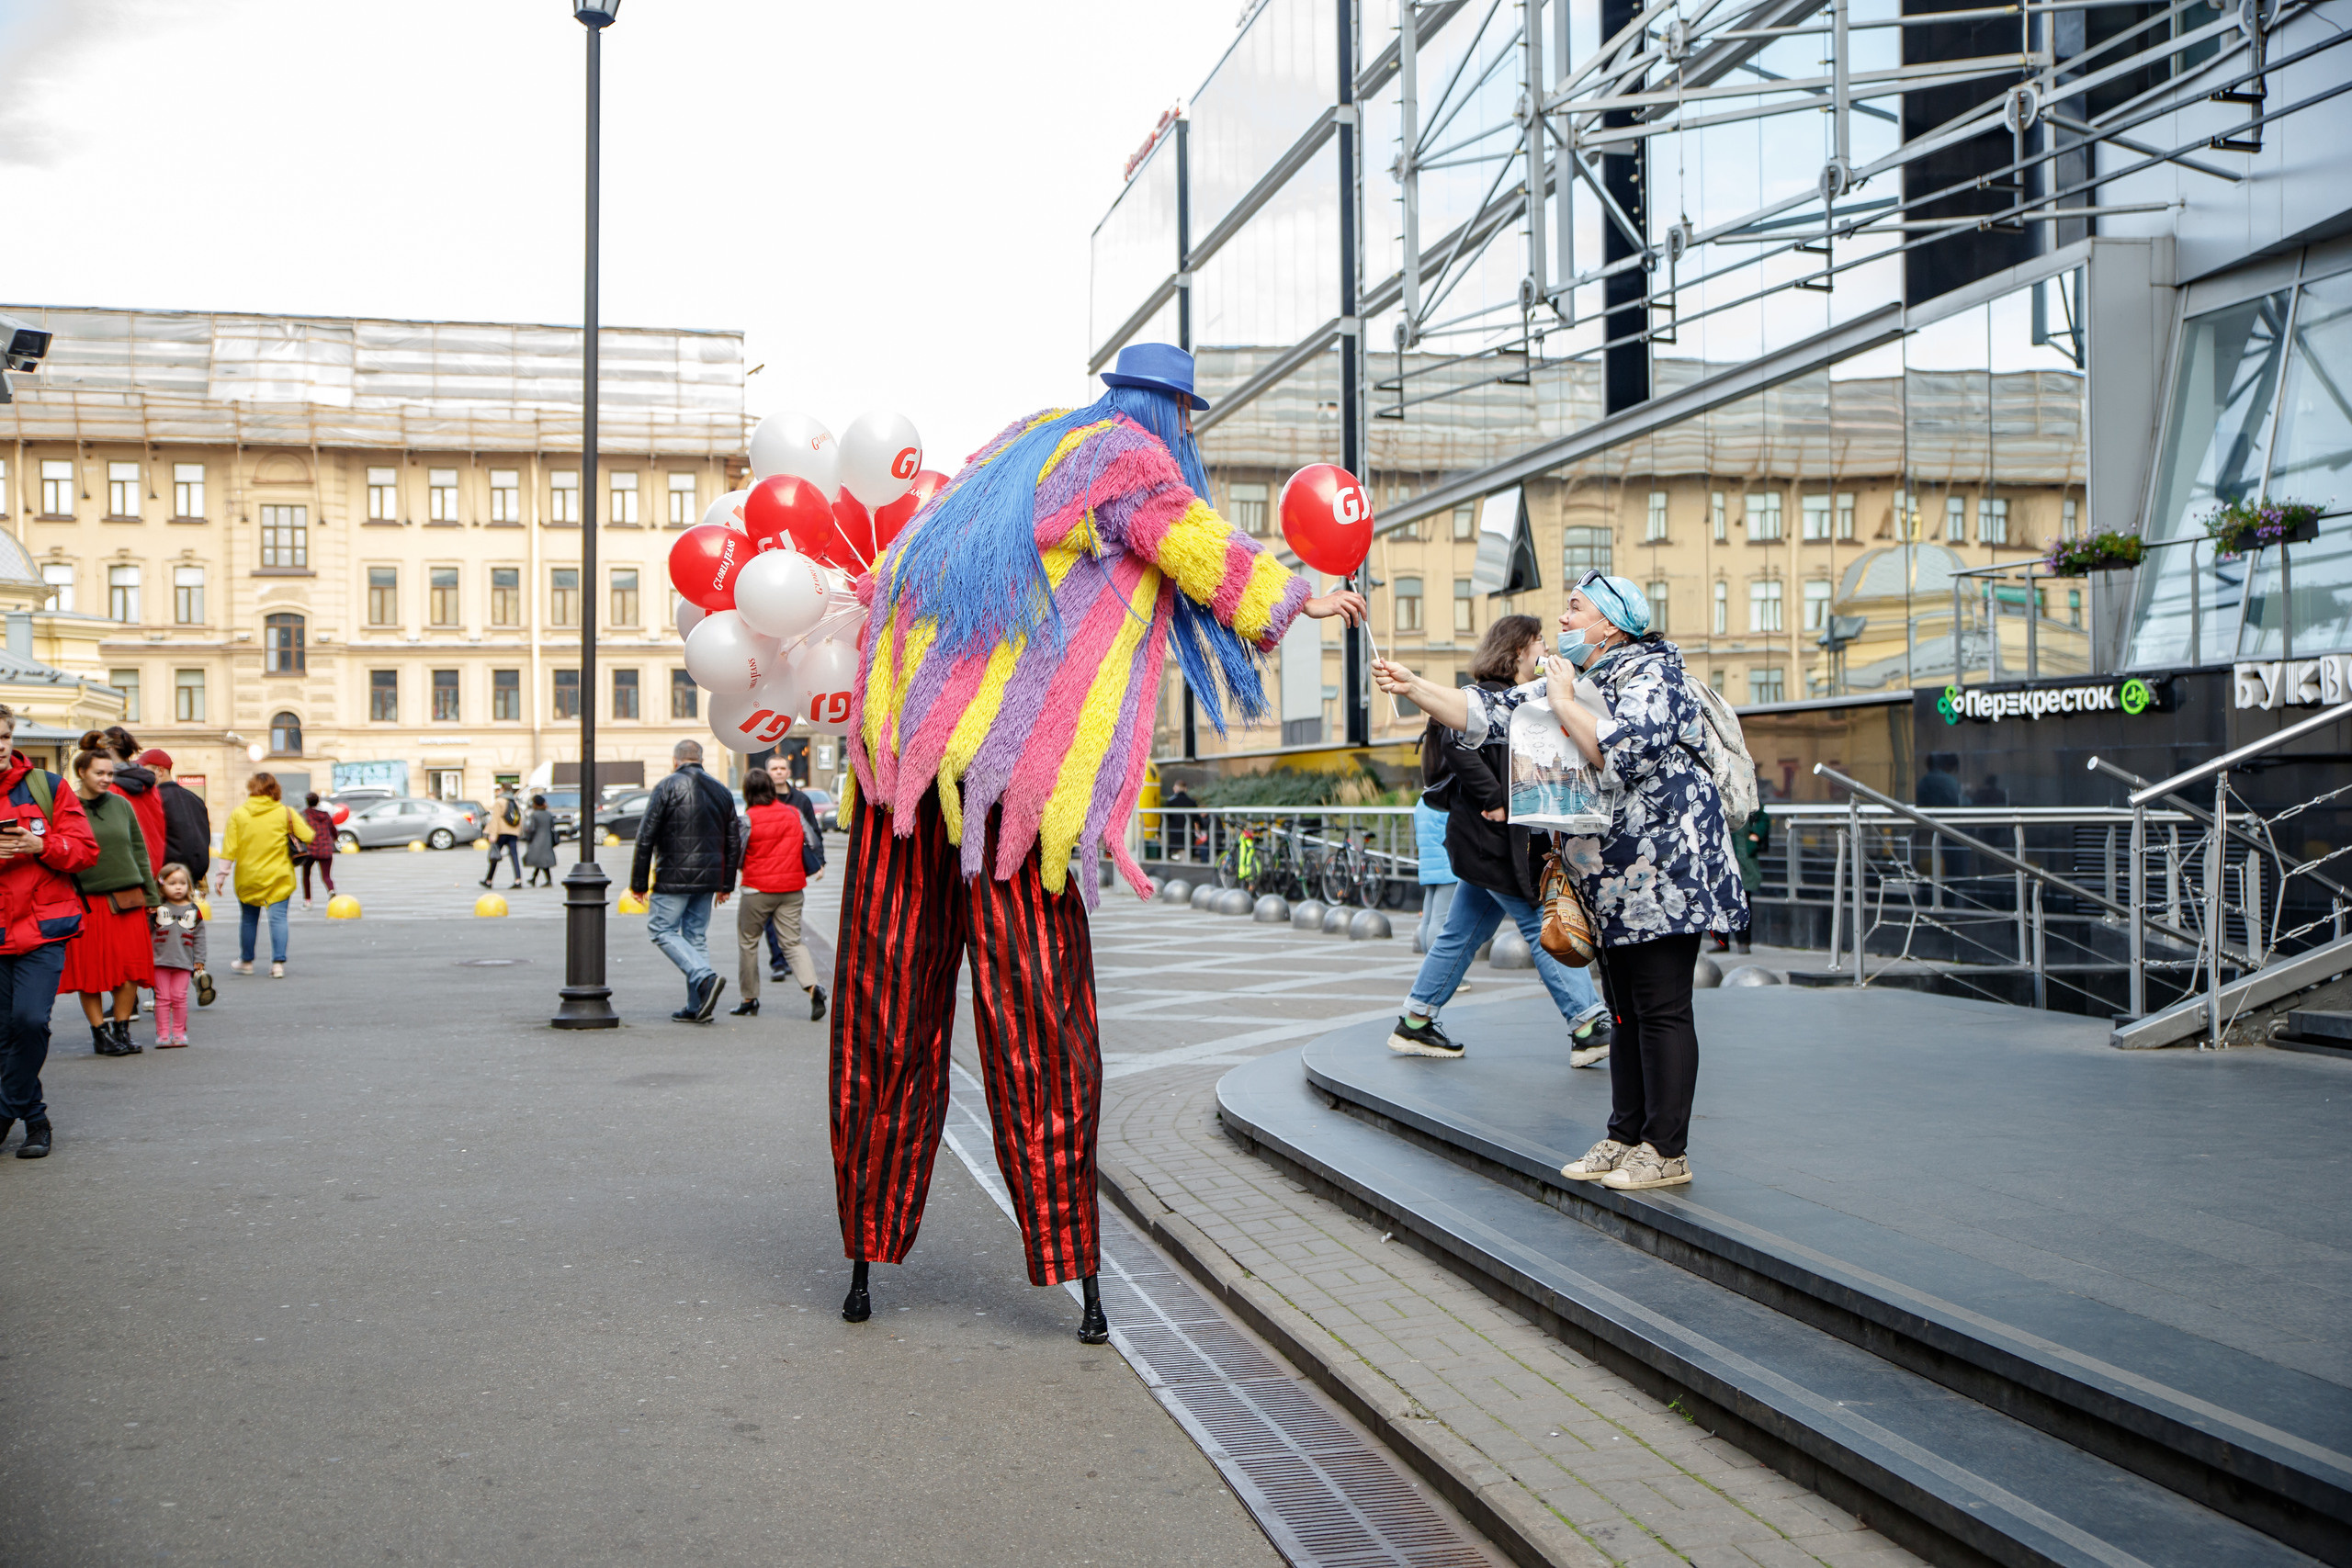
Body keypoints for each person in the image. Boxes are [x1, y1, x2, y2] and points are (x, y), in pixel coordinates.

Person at [834, 341, 1363, 1340]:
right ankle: (1074, 1268)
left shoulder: (1021, 441)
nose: (1185, 437)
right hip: (1003, 786)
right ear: (1167, 410)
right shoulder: (1126, 456)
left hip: (897, 760)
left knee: (883, 1007)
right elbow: (1199, 548)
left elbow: (917, 550)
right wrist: (1301, 600)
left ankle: (865, 1249)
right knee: (1040, 1024)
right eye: (1187, 419)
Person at [1374, 573, 1745, 1193]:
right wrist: (1416, 687)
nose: (1564, 619)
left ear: (1613, 624)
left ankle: (1666, 1148)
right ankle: (1626, 1135)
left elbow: (1622, 753)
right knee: (1624, 1012)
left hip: (1667, 876)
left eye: (1576, 609)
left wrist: (1566, 699)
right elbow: (1487, 714)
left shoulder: (1657, 676)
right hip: (1612, 882)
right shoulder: (1580, 681)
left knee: (1661, 1008)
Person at [1385, 616, 1610, 1066]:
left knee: (1462, 932)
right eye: (1539, 641)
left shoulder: (1520, 698)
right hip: (1492, 837)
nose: (1545, 648)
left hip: (1487, 840)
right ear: (1520, 650)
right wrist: (1496, 800)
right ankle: (1587, 1025)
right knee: (1538, 921)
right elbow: (1457, 744)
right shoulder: (1485, 698)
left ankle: (1416, 1021)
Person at [0, 704, 99, 1159]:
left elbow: (84, 851)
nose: (0, 746)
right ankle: (35, 1119)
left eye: (4, 736)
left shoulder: (48, 787)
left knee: (30, 1021)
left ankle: (5, 1113)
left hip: (43, 928)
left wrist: (43, 844)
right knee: (5, 1034)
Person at [627, 739, 744, 1023]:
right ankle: (697, 1006)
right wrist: (726, 884)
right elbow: (733, 841)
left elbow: (646, 836)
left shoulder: (667, 786)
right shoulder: (721, 790)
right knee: (695, 936)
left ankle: (704, 977)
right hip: (708, 878)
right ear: (700, 759)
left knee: (661, 929)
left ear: (675, 760)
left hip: (673, 876)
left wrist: (639, 883)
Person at [60, 739, 161, 1056]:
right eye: (99, 773)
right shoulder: (66, 806)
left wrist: (152, 895)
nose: (106, 779)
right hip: (85, 901)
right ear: (81, 772)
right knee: (90, 974)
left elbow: (139, 850)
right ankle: (99, 1034)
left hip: (127, 899)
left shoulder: (121, 804)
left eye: (109, 773)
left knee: (129, 970)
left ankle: (121, 1030)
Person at [729, 769, 826, 1020]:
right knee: (792, 942)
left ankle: (749, 998)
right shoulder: (793, 812)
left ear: (747, 792)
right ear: (772, 789)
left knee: (748, 942)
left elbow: (737, 854)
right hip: (792, 888)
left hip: (757, 889)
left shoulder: (748, 818)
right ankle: (813, 987)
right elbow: (813, 843)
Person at [216, 773, 312, 977]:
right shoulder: (285, 812)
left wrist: (221, 875)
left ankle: (247, 961)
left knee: (249, 919)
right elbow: (308, 835)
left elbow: (229, 847)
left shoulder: (239, 814)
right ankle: (278, 964)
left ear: (252, 788)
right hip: (279, 876)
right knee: (278, 919)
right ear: (275, 789)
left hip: (248, 876)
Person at [763, 773, 826, 983]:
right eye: (774, 768)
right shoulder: (762, 797)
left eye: (782, 767)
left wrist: (819, 861)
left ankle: (787, 957)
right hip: (768, 866)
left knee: (789, 917)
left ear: (788, 772)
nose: (779, 772)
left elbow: (814, 833)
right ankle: (779, 962)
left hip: (793, 865)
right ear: (768, 773)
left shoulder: (800, 800)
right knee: (770, 918)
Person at [149, 863, 209, 1049]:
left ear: (188, 886)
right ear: (161, 886)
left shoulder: (193, 910)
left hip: (184, 962)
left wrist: (199, 960)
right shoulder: (156, 910)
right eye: (172, 883)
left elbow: (199, 936)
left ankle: (179, 1033)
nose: (178, 887)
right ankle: (163, 1034)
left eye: (182, 883)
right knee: (163, 998)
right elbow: (146, 933)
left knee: (180, 997)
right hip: (159, 962)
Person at [105, 729, 169, 880]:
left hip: (128, 869)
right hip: (155, 863)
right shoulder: (150, 785)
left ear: (109, 749)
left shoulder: (110, 788)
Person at [142, 750, 211, 884]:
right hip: (193, 877)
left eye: (145, 771)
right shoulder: (195, 798)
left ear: (160, 771)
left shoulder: (154, 798)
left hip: (167, 877)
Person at [1716, 784, 1769, 955]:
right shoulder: (1712, 793)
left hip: (1743, 859)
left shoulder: (1743, 794)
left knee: (1743, 901)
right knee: (1719, 901)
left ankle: (1744, 943)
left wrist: (1754, 838)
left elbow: (1762, 817)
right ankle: (1721, 942)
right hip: (1720, 858)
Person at [297, 792, 338, 908]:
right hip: (325, 849)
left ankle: (308, 901)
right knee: (326, 875)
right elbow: (333, 830)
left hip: (310, 850)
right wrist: (334, 839)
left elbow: (299, 830)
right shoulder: (325, 815)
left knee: (306, 875)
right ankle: (331, 891)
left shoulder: (304, 815)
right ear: (318, 801)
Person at [481, 784, 523, 889]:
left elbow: (495, 820)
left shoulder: (499, 801)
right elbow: (520, 818)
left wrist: (493, 835)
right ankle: (518, 880)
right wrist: (518, 832)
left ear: (502, 789)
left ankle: (489, 880)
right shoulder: (515, 801)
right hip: (513, 832)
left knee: (495, 856)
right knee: (514, 856)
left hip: (501, 832)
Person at [521, 794, 558, 887]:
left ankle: (547, 880)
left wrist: (527, 836)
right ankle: (534, 878)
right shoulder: (548, 814)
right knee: (542, 861)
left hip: (537, 840)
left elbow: (532, 828)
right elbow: (552, 827)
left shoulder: (534, 815)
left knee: (540, 861)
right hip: (547, 840)